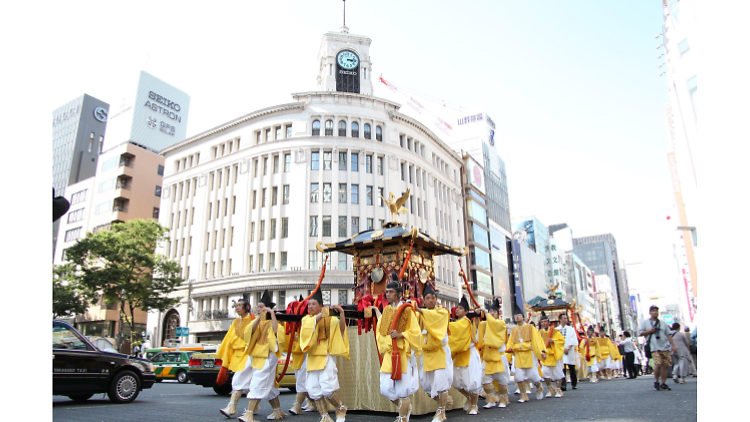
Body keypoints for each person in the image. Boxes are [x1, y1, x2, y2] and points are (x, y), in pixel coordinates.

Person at [370, 280, 422, 422]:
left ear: (399, 294)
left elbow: (416, 332)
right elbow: (382, 326)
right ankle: (405, 408)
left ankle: (403, 417)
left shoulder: (407, 310)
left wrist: (402, 335)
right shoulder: (387, 310)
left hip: (402, 354)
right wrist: (376, 311)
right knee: (386, 389)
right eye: (386, 292)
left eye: (391, 292)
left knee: (403, 391)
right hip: (389, 355)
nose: (388, 294)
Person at [299, 289, 350, 422]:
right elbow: (308, 328)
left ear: (321, 305)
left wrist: (342, 313)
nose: (310, 307)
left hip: (326, 357)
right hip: (312, 358)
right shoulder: (307, 319)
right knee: (313, 390)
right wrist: (322, 315)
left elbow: (342, 329)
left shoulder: (330, 319)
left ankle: (340, 408)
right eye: (309, 304)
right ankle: (324, 416)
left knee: (327, 389)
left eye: (313, 304)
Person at [236, 290, 286, 422]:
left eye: (261, 307)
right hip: (257, 356)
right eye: (257, 307)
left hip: (268, 357)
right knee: (268, 386)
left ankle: (249, 413)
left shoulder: (274, 320)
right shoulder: (257, 321)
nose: (258, 309)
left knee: (258, 383)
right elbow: (250, 332)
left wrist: (272, 315)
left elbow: (277, 332)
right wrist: (260, 317)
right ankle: (277, 410)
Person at [414, 284, 453, 422]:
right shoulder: (421, 315)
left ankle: (441, 413)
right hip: (426, 353)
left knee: (440, 383)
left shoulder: (442, 312)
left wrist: (420, 310)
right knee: (427, 384)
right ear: (424, 300)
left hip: (440, 352)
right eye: (427, 298)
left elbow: (434, 319)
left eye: (432, 298)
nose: (430, 300)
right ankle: (443, 402)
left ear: (436, 299)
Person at [218, 297, 256, 418]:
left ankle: (232, 407)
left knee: (238, 381)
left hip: (248, 355)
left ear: (247, 307)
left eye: (240, 305)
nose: (237, 307)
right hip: (238, 356)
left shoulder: (253, 320)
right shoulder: (235, 322)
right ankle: (272, 409)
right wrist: (226, 356)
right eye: (237, 305)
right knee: (252, 385)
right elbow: (228, 341)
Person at [448, 296, 483, 415]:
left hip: (469, 354)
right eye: (457, 308)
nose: (457, 310)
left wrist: (441, 324)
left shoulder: (466, 322)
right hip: (459, 355)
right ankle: (469, 398)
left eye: (461, 308)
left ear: (466, 312)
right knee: (458, 383)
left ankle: (474, 405)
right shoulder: (459, 322)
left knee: (472, 382)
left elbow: (454, 330)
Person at [477, 298, 510, 409]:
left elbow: (494, 324)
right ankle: (491, 398)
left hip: (499, 356)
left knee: (502, 379)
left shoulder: (500, 323)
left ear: (497, 314)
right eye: (490, 312)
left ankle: (503, 399)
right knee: (484, 378)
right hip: (488, 356)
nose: (491, 314)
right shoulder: (484, 324)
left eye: (493, 312)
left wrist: (486, 314)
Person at [508, 313, 547, 403]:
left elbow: (537, 340)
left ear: (523, 317)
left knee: (533, 376)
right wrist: (509, 350)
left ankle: (539, 387)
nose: (517, 317)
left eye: (519, 315)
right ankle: (523, 395)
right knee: (519, 377)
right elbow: (510, 343)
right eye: (515, 315)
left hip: (529, 354)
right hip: (518, 355)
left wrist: (542, 351)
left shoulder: (530, 328)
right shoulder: (513, 329)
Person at [286, 296, 315, 415]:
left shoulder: (311, 321)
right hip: (297, 355)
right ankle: (313, 403)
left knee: (303, 381)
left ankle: (297, 405)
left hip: (308, 354)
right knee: (302, 380)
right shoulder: (296, 326)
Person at [639, 305, 678, 391]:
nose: (655, 312)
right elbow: (640, 333)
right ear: (650, 313)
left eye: (656, 311)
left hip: (665, 346)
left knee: (665, 365)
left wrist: (673, 345)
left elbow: (669, 334)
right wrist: (650, 331)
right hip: (654, 347)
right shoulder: (646, 323)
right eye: (653, 311)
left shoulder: (663, 323)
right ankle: (656, 381)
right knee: (658, 364)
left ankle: (663, 383)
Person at [538, 313, 565, 398]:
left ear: (549, 322)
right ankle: (550, 388)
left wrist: (553, 340)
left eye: (545, 321)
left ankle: (558, 389)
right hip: (545, 355)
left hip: (554, 354)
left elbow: (561, 341)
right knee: (545, 373)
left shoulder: (555, 331)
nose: (544, 323)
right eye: (542, 322)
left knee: (557, 373)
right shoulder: (540, 332)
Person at [557, 313, 578, 391]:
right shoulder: (557, 329)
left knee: (571, 367)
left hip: (569, 350)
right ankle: (563, 384)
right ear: (560, 319)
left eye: (566, 318)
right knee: (562, 368)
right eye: (564, 318)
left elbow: (573, 339)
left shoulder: (570, 329)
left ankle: (574, 383)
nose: (566, 320)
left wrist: (568, 347)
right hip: (560, 350)